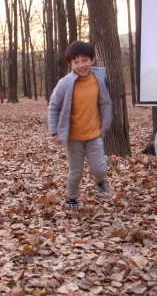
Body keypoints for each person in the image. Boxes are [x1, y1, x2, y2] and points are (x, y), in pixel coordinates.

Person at [48, 41, 113, 210]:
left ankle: (100, 183)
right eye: (75, 62)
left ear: (92, 60)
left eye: (84, 60)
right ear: (70, 64)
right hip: (73, 138)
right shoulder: (65, 83)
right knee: (75, 173)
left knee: (99, 168)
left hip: (94, 135)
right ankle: (71, 199)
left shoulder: (99, 79)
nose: (81, 65)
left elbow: (105, 103)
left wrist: (105, 123)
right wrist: (54, 131)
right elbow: (53, 106)